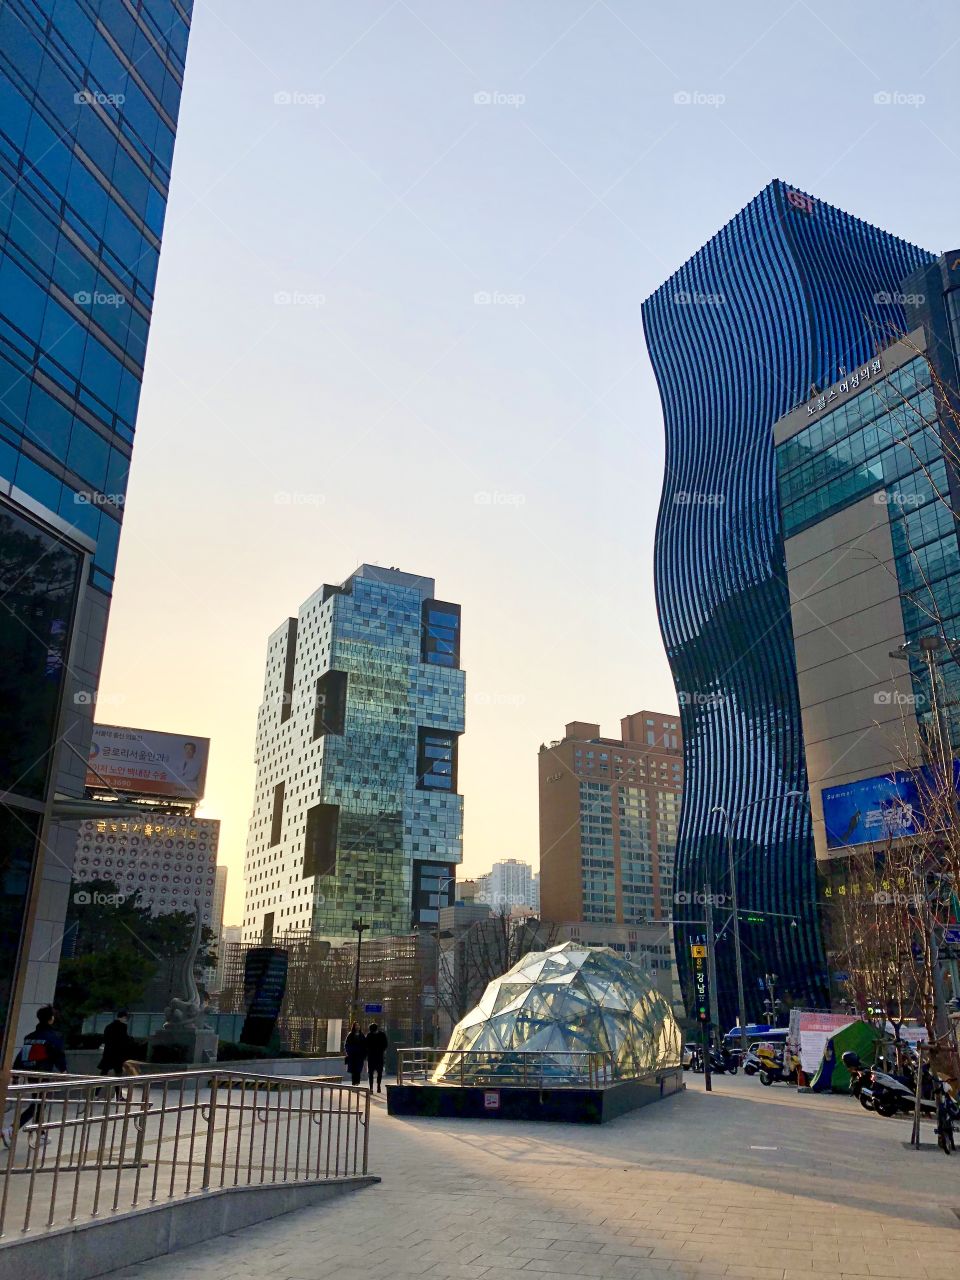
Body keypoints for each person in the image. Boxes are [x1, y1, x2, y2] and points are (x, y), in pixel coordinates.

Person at [2, 1006, 67, 1147]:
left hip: (31, 1073)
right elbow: (58, 1054)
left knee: (39, 1104)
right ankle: (12, 1129)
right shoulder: (53, 1037)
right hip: (43, 1074)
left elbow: (22, 1055)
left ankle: (41, 1134)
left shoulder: (30, 1037)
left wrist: (16, 1071)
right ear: (51, 1019)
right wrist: (63, 1070)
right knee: (39, 1104)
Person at [98, 1010, 137, 1097]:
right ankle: (119, 1096)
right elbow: (124, 1041)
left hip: (108, 1053)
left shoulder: (108, 1026)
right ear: (123, 1017)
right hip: (117, 1055)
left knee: (103, 1073)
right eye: (126, 1018)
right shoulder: (122, 1027)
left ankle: (96, 1094)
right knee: (118, 1075)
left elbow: (105, 1039)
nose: (126, 1020)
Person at [366, 1022, 388, 1093]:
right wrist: (381, 1050)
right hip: (378, 1056)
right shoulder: (382, 1034)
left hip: (372, 1057)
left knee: (372, 1073)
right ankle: (376, 1086)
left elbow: (366, 1045)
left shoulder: (369, 1035)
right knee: (378, 1072)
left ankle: (373, 1087)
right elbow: (385, 1044)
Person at [343, 1021, 366, 1086]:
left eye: (358, 1025)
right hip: (352, 1056)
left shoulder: (362, 1035)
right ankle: (354, 1083)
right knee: (353, 1070)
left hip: (360, 1056)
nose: (357, 1027)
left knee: (358, 1070)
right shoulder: (350, 1035)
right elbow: (347, 1045)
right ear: (354, 1027)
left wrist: (364, 1053)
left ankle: (357, 1083)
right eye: (356, 1025)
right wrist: (349, 1052)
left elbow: (365, 1045)